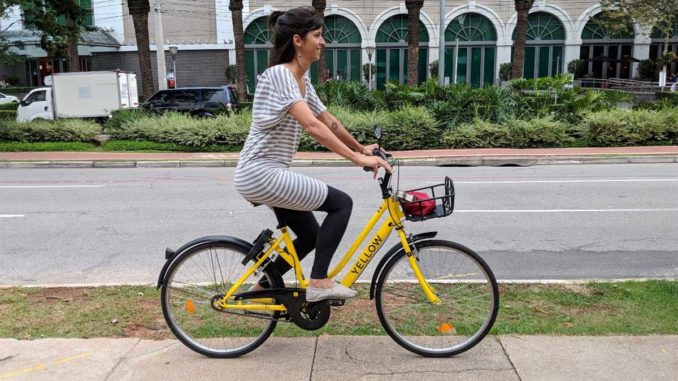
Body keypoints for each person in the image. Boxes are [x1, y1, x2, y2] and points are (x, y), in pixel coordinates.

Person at [234, 6, 391, 302]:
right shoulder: (280, 75)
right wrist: (357, 160)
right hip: (260, 172)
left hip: (270, 174)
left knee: (309, 237)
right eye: (317, 36)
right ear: (298, 40)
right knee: (341, 204)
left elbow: (328, 121)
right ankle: (319, 282)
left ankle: (261, 291)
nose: (323, 42)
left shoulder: (302, 81)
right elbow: (311, 126)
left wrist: (361, 147)